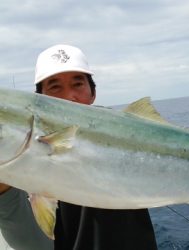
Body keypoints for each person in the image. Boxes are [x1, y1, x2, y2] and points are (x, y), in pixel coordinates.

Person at [0, 44, 158, 250]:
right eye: (55, 87)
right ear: (39, 99)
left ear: (92, 93)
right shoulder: (21, 158)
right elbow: (32, 244)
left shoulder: (126, 135)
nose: (69, 97)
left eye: (78, 84)